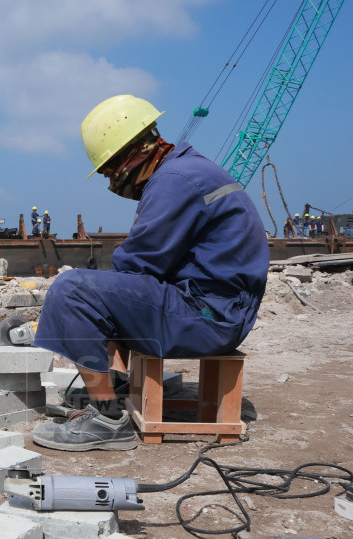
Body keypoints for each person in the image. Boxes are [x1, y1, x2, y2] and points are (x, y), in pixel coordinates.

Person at [30, 94, 269, 451]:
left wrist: (89, 298)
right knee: (105, 291)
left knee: (72, 290)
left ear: (131, 153)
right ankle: (114, 388)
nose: (112, 180)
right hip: (219, 310)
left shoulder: (174, 180)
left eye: (111, 169)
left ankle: (107, 419)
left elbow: (138, 263)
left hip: (208, 317)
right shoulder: (188, 169)